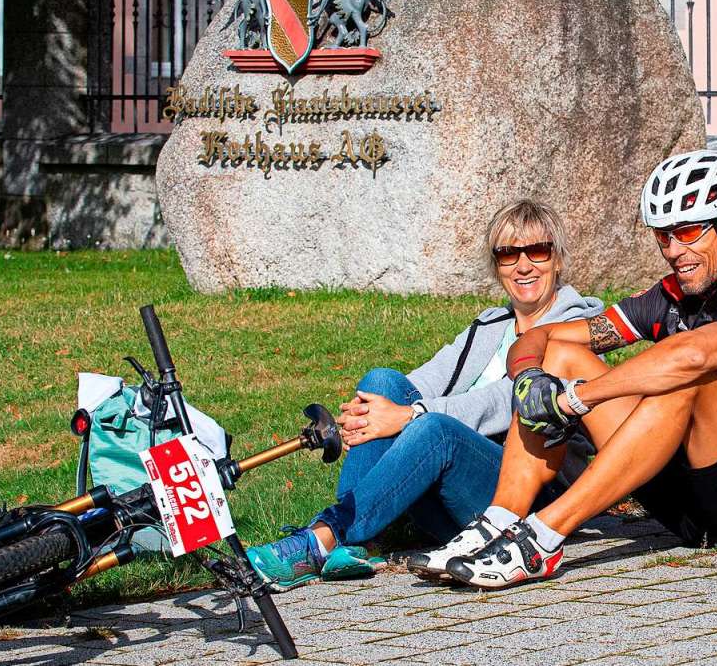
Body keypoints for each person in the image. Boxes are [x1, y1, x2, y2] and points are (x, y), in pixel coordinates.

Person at [417, 150, 717, 589]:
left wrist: (577, 399)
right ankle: (498, 522)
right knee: (561, 355)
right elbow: (537, 338)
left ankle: (541, 538)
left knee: (689, 377)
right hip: (689, 507)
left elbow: (691, 357)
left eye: (688, 232)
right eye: (664, 237)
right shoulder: (665, 298)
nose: (676, 251)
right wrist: (529, 380)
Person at [246, 200, 605, 590]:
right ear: (495, 264)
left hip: (523, 501)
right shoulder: (490, 324)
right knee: (382, 381)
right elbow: (428, 378)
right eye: (507, 254)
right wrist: (375, 412)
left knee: (435, 428)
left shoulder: (575, 327)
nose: (523, 265)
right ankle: (356, 541)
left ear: (557, 259)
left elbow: (507, 401)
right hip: (453, 490)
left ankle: (320, 539)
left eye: (537, 251)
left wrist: (408, 415)